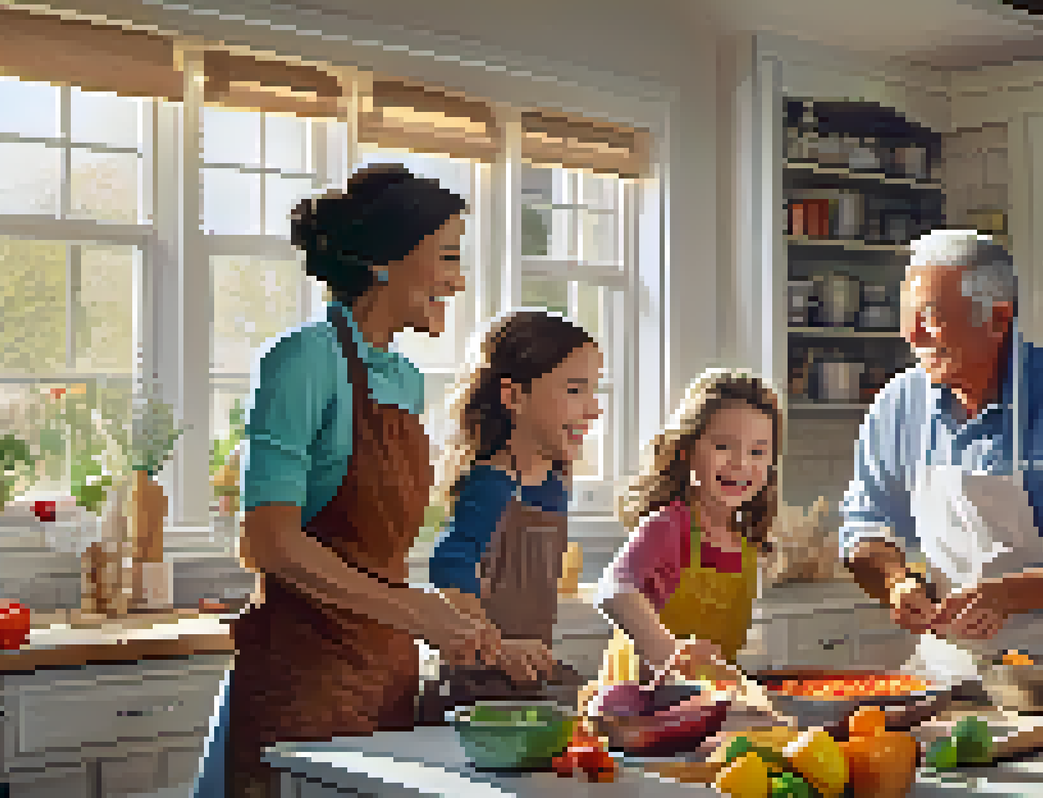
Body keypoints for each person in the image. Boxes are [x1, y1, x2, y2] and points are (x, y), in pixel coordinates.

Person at [193, 164, 535, 798]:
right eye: (447, 259)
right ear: (385, 262)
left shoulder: (405, 380)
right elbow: (267, 542)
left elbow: (380, 556)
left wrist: (473, 629)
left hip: (384, 678)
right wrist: (413, 610)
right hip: (302, 681)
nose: (458, 281)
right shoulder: (300, 360)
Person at [839, 230, 1043, 684]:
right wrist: (897, 582)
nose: (913, 334)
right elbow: (863, 528)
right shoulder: (898, 405)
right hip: (944, 670)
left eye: (931, 315)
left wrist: (1008, 595)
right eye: (909, 315)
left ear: (997, 318)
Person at [425, 309, 605, 710]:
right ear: (513, 397)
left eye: (595, 391)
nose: (594, 409)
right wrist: (499, 645)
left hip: (525, 678)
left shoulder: (555, 481)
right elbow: (448, 571)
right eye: (575, 391)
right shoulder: (492, 484)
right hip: (478, 686)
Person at [593, 369, 783, 690]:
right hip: (639, 708)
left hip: (703, 704)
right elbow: (613, 590)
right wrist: (669, 653)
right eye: (723, 446)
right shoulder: (669, 526)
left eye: (757, 451)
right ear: (687, 450)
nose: (741, 463)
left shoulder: (745, 542)